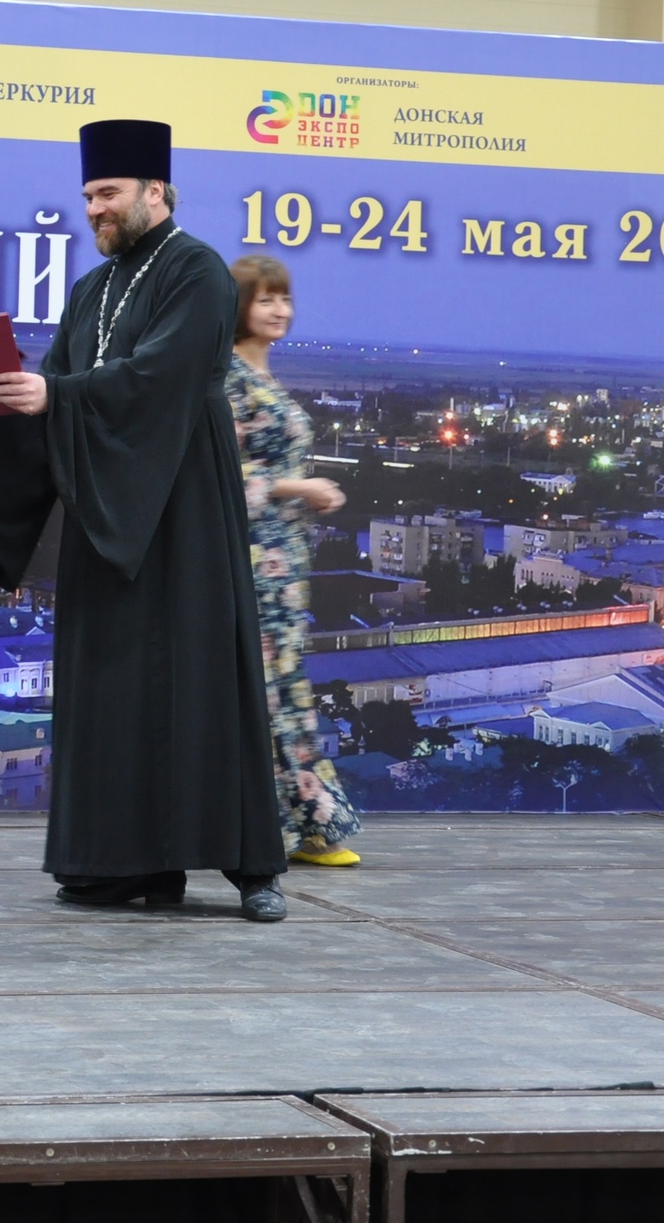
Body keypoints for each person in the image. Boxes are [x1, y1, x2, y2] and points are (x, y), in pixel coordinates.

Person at [0, 119, 287, 921]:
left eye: (108, 194)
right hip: (106, 513)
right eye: (89, 197)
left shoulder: (199, 271)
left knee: (201, 676)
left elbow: (162, 376)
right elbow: (55, 395)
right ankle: (126, 863)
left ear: (154, 191)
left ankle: (250, 868)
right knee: (113, 687)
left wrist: (57, 396)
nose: (95, 209)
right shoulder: (91, 291)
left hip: (184, 504)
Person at [227, 254, 365, 869]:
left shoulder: (262, 373)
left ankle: (307, 825)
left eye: (284, 298)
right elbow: (215, 474)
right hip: (248, 555)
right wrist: (299, 487)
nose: (280, 310)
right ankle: (274, 828)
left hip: (281, 557)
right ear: (238, 308)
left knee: (281, 684)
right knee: (262, 688)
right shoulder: (225, 377)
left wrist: (302, 493)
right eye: (265, 299)